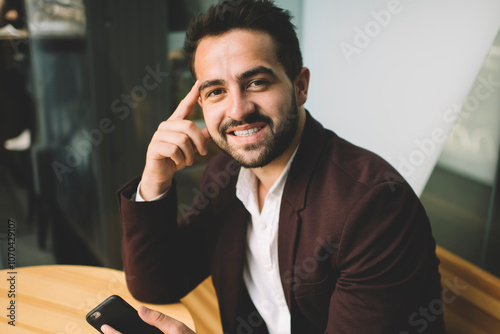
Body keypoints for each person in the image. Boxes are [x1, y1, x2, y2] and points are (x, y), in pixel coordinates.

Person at [109, 1, 445, 333]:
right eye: (216, 91)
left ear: (300, 86)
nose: (237, 110)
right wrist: (155, 178)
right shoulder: (224, 176)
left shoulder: (376, 206)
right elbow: (156, 285)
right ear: (200, 105)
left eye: (256, 82)